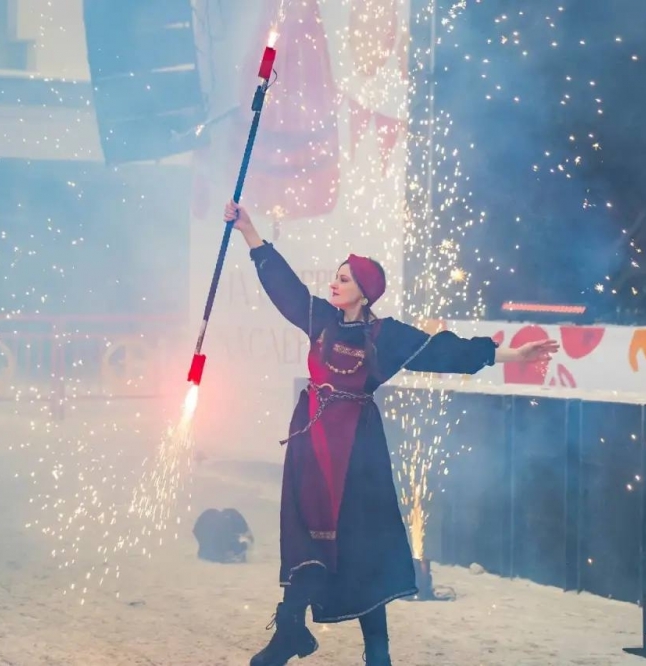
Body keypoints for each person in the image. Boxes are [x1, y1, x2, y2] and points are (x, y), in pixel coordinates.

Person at [223, 201, 559, 666]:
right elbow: (284, 287)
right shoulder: (320, 319)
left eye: (344, 279)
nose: (334, 284)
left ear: (364, 293)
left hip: (357, 453)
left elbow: (446, 351)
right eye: (335, 277)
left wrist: (512, 356)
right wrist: (249, 231)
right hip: (312, 444)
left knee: (362, 547)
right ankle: (289, 631)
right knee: (306, 539)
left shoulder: (388, 336)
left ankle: (377, 653)